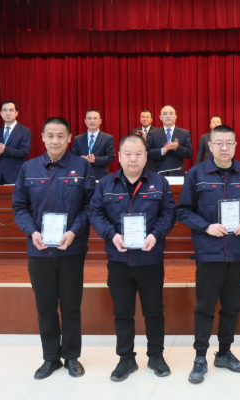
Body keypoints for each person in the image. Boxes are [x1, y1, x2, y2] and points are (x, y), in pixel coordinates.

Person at [176, 124, 240, 384]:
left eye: (229, 143)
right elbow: (183, 210)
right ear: (210, 146)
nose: (224, 147)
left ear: (235, 146)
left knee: (232, 306)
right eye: (219, 143)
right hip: (209, 252)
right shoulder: (197, 173)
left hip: (238, 251)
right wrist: (206, 226)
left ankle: (224, 353)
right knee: (205, 307)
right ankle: (200, 357)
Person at [12, 117, 95, 380]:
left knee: (71, 306)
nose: (55, 140)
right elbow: (19, 207)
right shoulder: (29, 168)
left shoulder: (82, 167)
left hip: (71, 248)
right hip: (39, 249)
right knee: (45, 307)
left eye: (61, 135)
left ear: (70, 138)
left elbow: (90, 206)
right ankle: (50, 358)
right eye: (50, 135)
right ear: (42, 137)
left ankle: (71, 356)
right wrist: (32, 231)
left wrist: (73, 231)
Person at [88, 134, 176, 382]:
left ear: (146, 156)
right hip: (119, 261)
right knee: (122, 312)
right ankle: (126, 358)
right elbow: (95, 212)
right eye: (127, 154)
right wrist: (111, 234)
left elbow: (169, 213)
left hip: (150, 260)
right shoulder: (106, 184)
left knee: (154, 311)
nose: (133, 158)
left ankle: (156, 356)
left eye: (138, 153)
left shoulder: (159, 183)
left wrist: (156, 235)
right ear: (119, 156)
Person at [0, 100, 31, 184]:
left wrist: (5, 150)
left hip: (15, 175)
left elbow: (24, 153)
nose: (7, 113)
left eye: (11, 110)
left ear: (16, 113)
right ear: (1, 113)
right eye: (4, 110)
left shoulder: (24, 131)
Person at [147, 105, 193, 176]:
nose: (168, 116)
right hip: (158, 173)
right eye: (165, 114)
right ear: (160, 117)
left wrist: (177, 148)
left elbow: (189, 154)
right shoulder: (153, 134)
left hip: (177, 173)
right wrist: (163, 150)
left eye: (171, 113)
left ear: (175, 116)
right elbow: (147, 153)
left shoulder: (184, 133)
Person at [71, 109, 116, 180]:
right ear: (85, 121)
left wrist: (95, 160)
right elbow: (73, 156)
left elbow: (110, 157)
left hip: (100, 177)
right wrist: (80, 159)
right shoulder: (78, 139)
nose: (92, 121)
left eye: (95, 118)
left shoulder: (108, 138)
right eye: (89, 118)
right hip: (81, 175)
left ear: (100, 121)